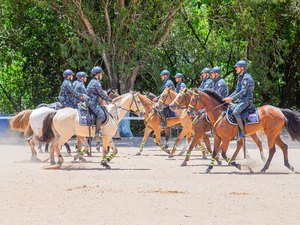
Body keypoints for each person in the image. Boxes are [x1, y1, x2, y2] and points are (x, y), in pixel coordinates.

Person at [223, 60, 255, 139]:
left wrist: (232, 98)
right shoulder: (240, 77)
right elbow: (237, 90)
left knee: (235, 112)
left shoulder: (246, 78)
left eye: (237, 67)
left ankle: (241, 132)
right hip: (241, 99)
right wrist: (228, 98)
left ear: (242, 68)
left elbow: (243, 92)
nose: (236, 69)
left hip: (247, 100)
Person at [86, 66, 113, 140]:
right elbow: (101, 93)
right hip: (92, 102)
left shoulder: (93, 81)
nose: (102, 76)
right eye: (101, 74)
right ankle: (97, 132)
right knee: (101, 114)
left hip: (93, 101)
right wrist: (110, 100)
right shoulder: (96, 82)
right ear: (97, 74)